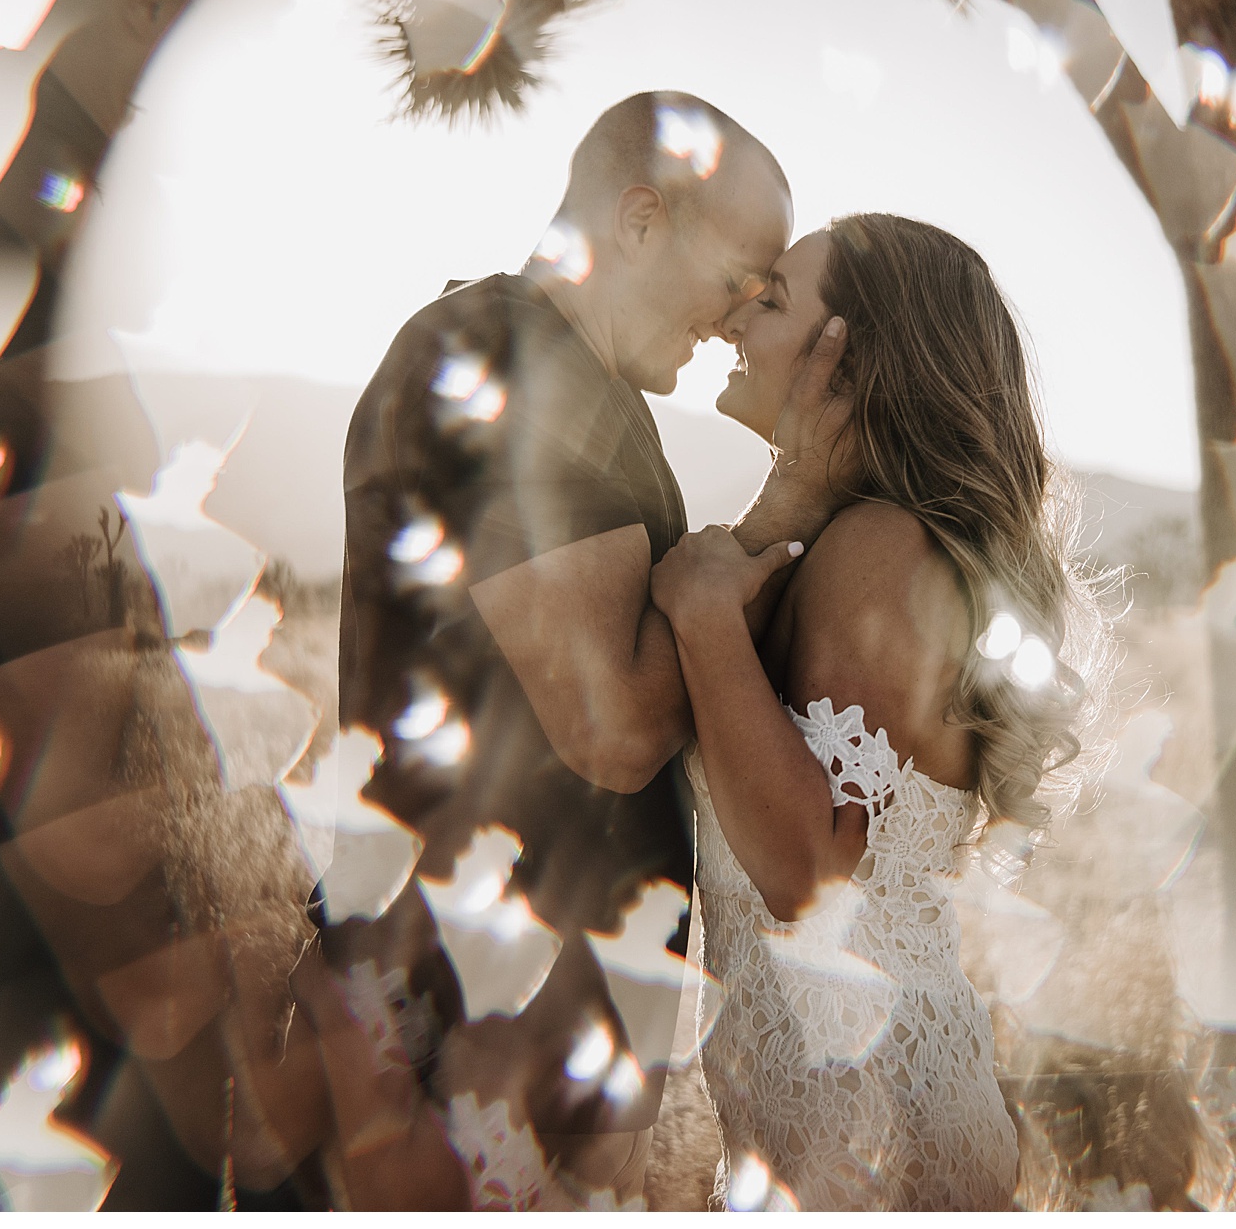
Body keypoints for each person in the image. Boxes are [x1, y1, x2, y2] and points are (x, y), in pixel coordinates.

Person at [305, 90, 853, 1207]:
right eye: (737, 276)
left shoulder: (584, 383)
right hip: (463, 1027)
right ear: (640, 220)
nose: (735, 318)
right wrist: (789, 492)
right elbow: (612, 730)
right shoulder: (505, 357)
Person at [649, 213, 1099, 1210]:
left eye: (769, 300)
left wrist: (705, 620)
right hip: (840, 1129)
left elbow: (810, 875)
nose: (731, 316)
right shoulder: (856, 545)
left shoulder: (877, 555)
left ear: (848, 358)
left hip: (879, 1134)